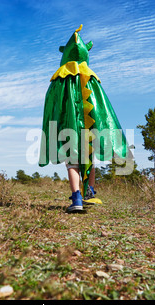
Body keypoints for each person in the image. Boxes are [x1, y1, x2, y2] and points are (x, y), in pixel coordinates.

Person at [39, 25, 131, 213]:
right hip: (90, 126)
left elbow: (53, 107)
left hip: (67, 125)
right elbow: (102, 107)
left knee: (72, 160)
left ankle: (77, 198)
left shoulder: (59, 79)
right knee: (88, 155)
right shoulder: (92, 77)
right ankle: (89, 193)